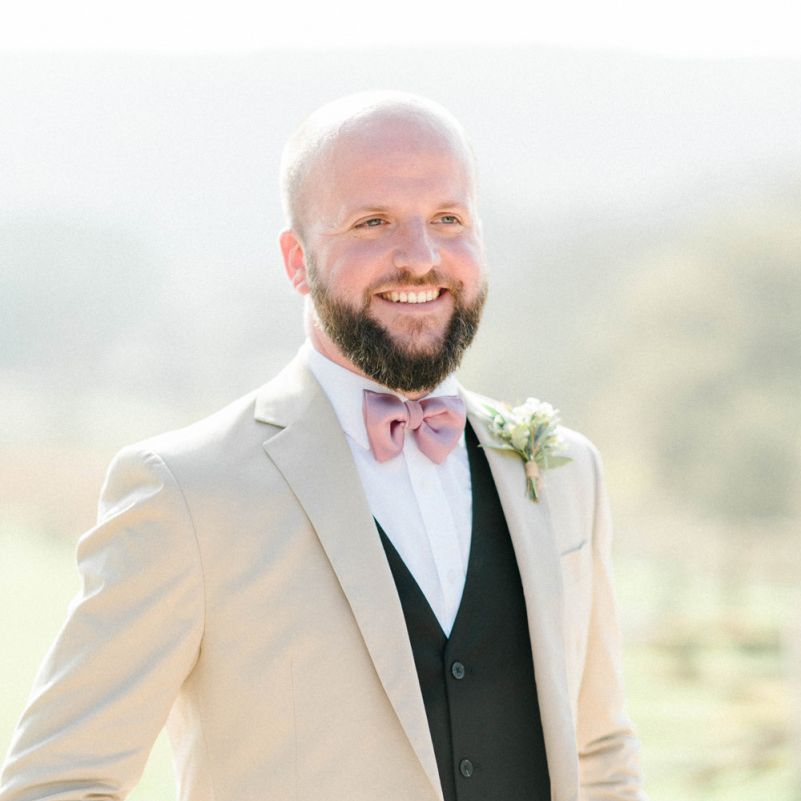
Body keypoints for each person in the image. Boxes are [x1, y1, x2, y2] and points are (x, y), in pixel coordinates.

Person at [0, 91, 646, 801]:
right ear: (296, 260)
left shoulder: (561, 472)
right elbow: (55, 781)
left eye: (447, 219)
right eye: (372, 222)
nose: (420, 257)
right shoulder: (185, 492)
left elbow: (599, 752)